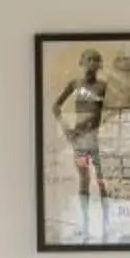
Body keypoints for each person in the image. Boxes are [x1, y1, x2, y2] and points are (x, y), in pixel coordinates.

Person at [51, 48, 109, 243]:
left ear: (99, 64)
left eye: (95, 59)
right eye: (88, 59)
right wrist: (65, 128)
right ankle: (85, 225)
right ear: (82, 62)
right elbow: (56, 106)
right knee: (84, 179)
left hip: (96, 139)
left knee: (102, 180)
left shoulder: (103, 87)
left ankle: (107, 224)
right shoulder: (75, 84)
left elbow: (109, 110)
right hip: (80, 141)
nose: (92, 63)